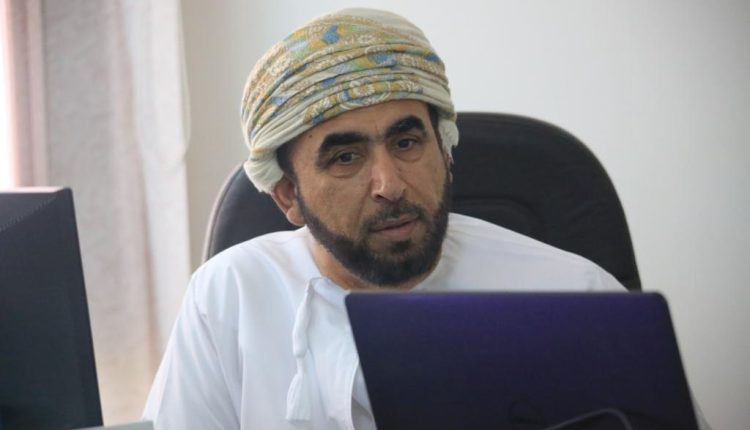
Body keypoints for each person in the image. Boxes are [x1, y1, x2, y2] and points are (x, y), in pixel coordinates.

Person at [143, 8, 628, 430]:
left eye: (406, 143)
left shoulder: (575, 297)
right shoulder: (228, 297)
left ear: (445, 151)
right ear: (289, 195)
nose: (389, 185)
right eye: (346, 158)